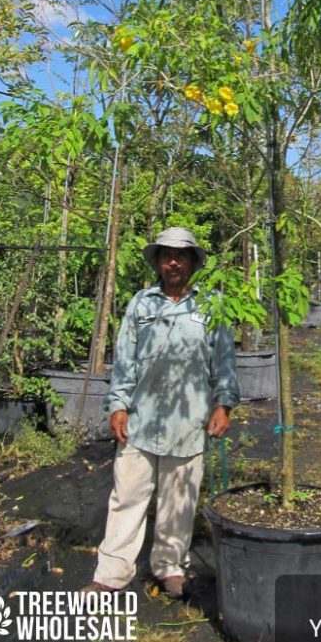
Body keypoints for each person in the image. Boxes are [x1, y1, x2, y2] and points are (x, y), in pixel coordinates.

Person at [85, 226, 239, 599]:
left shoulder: (211, 305)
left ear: (192, 262)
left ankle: (170, 567)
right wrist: (118, 405)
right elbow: (124, 360)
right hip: (141, 420)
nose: (173, 261)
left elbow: (224, 363)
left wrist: (223, 404)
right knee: (127, 497)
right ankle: (111, 573)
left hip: (188, 423)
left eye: (181, 255)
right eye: (166, 255)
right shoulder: (141, 303)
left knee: (179, 499)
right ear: (157, 261)